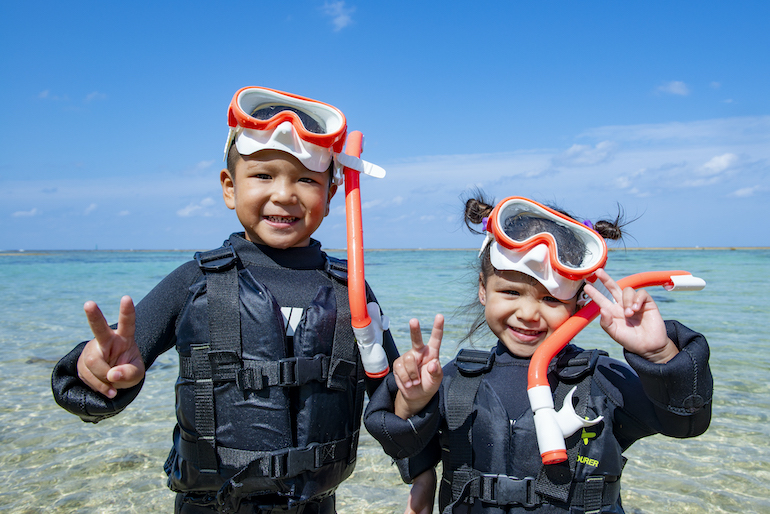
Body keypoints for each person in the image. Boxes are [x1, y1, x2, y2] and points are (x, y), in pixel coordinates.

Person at [52, 86, 409, 513]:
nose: (285, 194)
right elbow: (108, 369)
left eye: (307, 180)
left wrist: (416, 396)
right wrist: (96, 372)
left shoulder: (350, 291)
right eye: (263, 175)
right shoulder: (195, 282)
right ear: (228, 187)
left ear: (331, 196)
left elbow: (389, 400)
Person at [364, 193, 713, 514]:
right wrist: (410, 402)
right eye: (511, 292)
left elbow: (685, 422)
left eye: (550, 299)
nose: (529, 314)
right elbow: (406, 447)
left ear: (581, 302)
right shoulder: (455, 379)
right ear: (483, 290)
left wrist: (658, 354)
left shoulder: (600, 381)